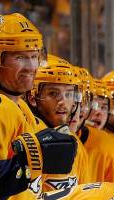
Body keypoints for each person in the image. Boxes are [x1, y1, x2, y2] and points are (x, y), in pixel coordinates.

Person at [0, 13, 77, 200]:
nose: (31, 66)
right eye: (20, 57)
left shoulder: (22, 111)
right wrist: (25, 166)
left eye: (34, 56)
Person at [25, 55, 92, 191]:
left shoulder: (75, 143)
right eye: (53, 94)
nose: (62, 102)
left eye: (68, 94)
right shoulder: (24, 132)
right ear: (33, 97)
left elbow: (83, 197)